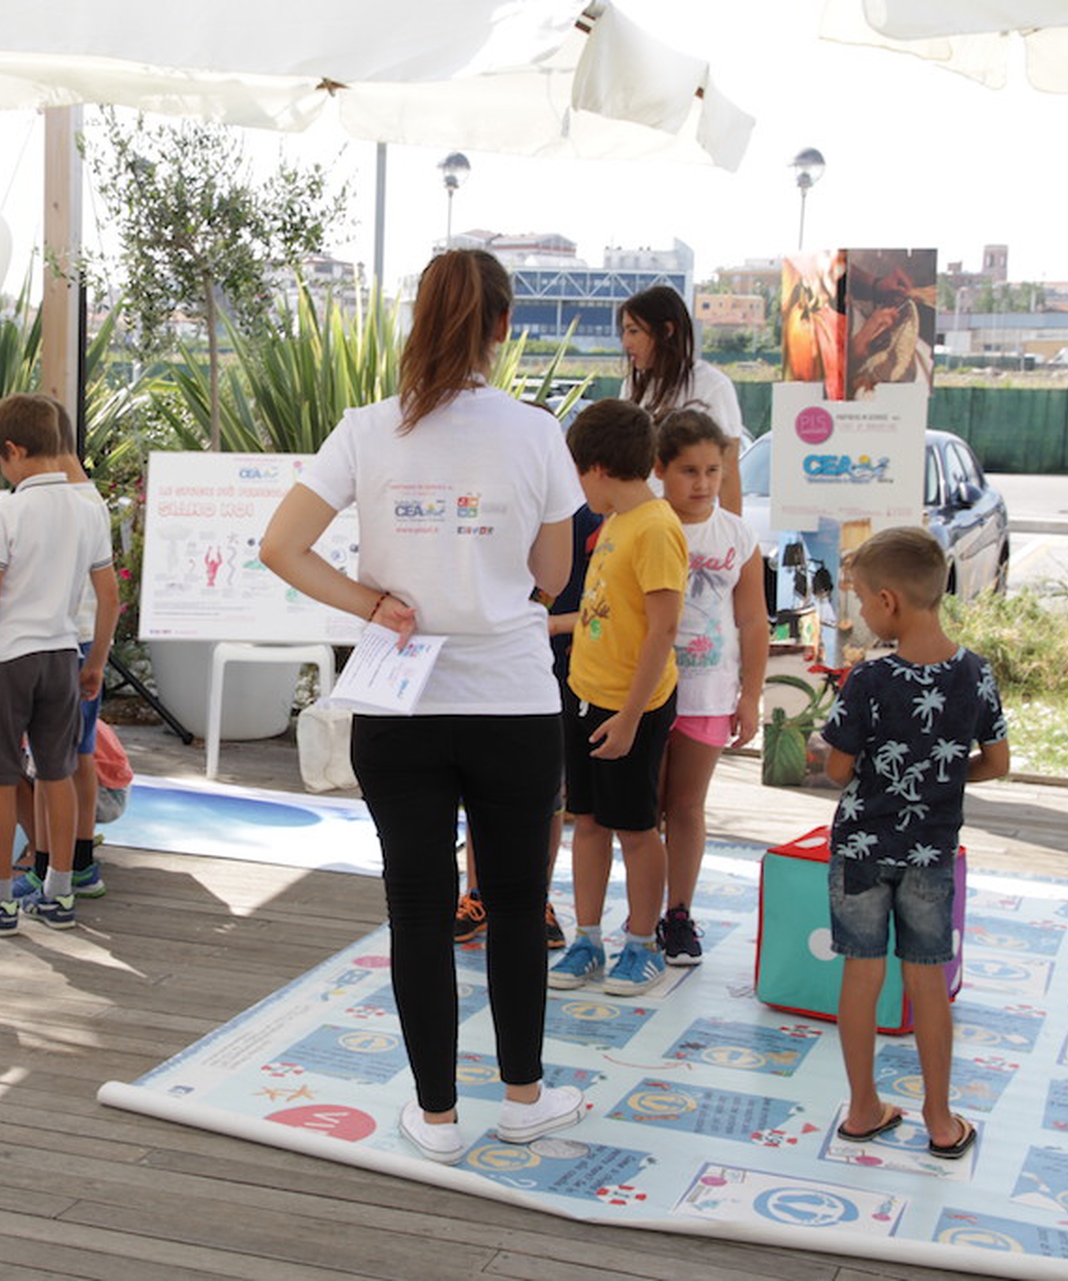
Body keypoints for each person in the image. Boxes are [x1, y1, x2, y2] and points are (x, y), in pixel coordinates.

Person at [260, 248, 586, 1165]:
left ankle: (436, 1117)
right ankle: (523, 1097)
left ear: (417, 320)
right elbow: (552, 577)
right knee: (518, 903)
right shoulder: (536, 432)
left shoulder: (366, 430)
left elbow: (281, 546)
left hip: (399, 705)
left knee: (417, 906)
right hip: (514, 700)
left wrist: (376, 601)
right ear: (502, 327)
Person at [821, 526, 1009, 1159]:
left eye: (862, 600)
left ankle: (863, 1108)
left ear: (889, 602)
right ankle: (940, 1118)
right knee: (928, 980)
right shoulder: (975, 674)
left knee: (861, 975)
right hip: (932, 852)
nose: (861, 612)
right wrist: (946, 776)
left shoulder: (869, 681)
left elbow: (838, 770)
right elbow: (998, 761)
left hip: (860, 852)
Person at [0, 392, 118, 934]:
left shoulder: (6, 514)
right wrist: (96, 663)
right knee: (57, 774)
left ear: (15, 450)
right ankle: (59, 894)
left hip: (10, 661)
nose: (1, 469)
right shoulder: (89, 510)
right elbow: (109, 597)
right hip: (64, 657)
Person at [551, 400, 685, 997]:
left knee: (635, 829)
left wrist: (631, 718)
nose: (577, 487)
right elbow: (607, 611)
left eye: (577, 473)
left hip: (632, 707)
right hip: (585, 694)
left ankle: (642, 942)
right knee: (587, 822)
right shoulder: (614, 523)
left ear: (598, 468)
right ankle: (587, 940)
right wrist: (553, 627)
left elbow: (662, 630)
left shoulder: (656, 527)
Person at [455, 495, 602, 954]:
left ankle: (537, 896)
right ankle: (476, 894)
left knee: (548, 794)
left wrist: (552, 624)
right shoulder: (486, 504)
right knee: (479, 784)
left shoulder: (590, 518)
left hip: (559, 672)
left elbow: (609, 606)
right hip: (487, 664)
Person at [653, 409, 768, 965]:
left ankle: (678, 914)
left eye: (712, 471)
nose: (701, 484)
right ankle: (638, 917)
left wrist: (750, 694)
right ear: (660, 469)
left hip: (708, 695)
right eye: (688, 471)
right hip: (646, 695)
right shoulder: (646, 525)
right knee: (641, 812)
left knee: (687, 808)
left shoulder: (738, 535)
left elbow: (753, 620)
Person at [619, 284, 746, 515]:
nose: (626, 343)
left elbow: (728, 471)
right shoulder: (630, 387)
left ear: (667, 330)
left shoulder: (713, 385)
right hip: (642, 523)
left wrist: (734, 539)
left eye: (633, 331)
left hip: (693, 531)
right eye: (624, 332)